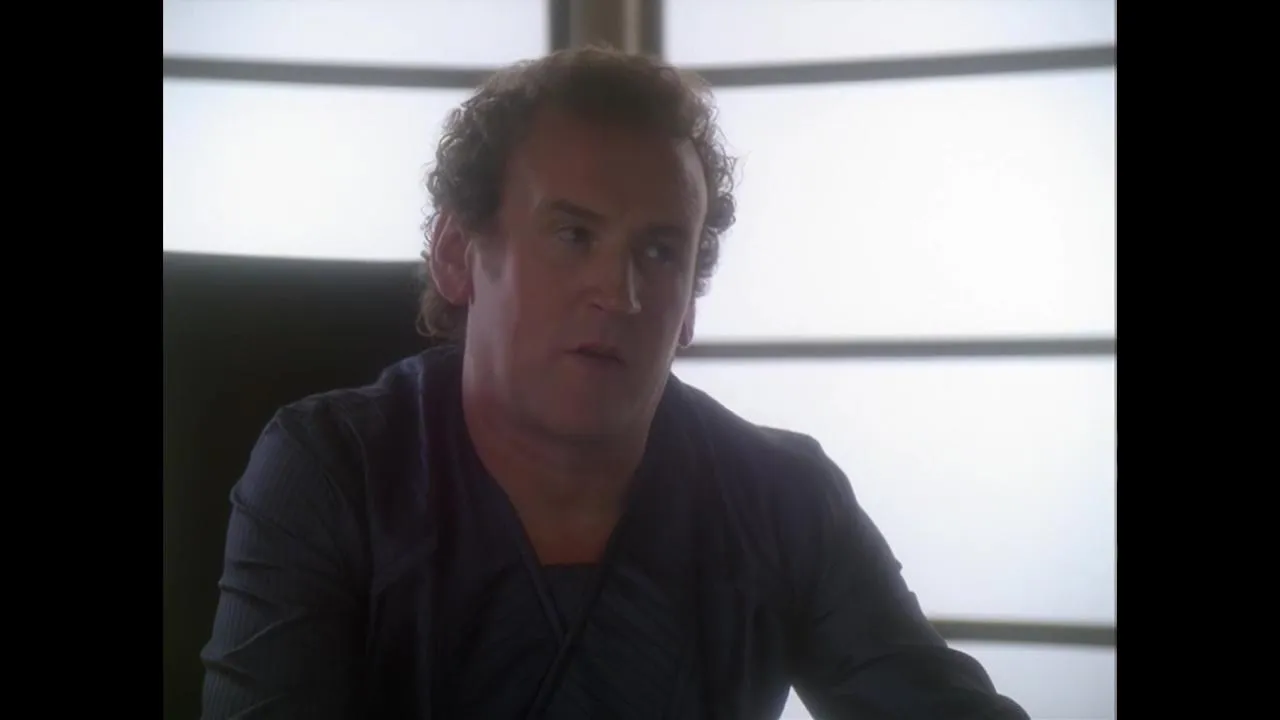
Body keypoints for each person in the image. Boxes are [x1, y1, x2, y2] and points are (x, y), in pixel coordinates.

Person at [200, 46, 1029, 720]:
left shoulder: (784, 499)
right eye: (573, 235)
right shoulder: (331, 471)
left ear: (690, 307)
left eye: (660, 252)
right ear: (458, 255)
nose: (621, 293)